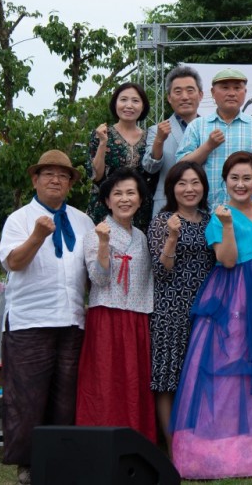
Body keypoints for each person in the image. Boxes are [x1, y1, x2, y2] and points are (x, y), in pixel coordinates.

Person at [171, 152, 252, 478]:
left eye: (247, 178)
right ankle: (220, 454)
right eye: (234, 178)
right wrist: (228, 225)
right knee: (228, 366)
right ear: (225, 181)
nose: (241, 184)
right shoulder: (219, 216)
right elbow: (228, 260)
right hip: (231, 293)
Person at [0, 151, 93, 485]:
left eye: (63, 175)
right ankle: (27, 464)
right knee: (27, 397)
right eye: (49, 174)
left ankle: (60, 459)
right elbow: (14, 263)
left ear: (70, 184)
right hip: (30, 320)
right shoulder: (19, 219)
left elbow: (93, 271)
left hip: (71, 319)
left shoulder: (83, 221)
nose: (56, 180)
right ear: (35, 180)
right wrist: (38, 236)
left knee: (65, 396)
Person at [76, 168, 156, 442]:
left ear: (140, 200)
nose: (125, 199)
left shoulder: (142, 237)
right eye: (117, 194)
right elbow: (98, 279)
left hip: (137, 318)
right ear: (107, 201)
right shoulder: (96, 233)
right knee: (105, 382)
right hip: (107, 317)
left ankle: (136, 441)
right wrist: (103, 243)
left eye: (131, 193)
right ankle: (99, 443)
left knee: (134, 382)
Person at [147, 161, 214, 454]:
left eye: (195, 182)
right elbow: (160, 272)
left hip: (206, 310)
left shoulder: (211, 220)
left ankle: (199, 443)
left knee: (200, 376)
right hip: (170, 310)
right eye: (182, 183)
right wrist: (172, 238)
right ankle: (174, 447)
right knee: (168, 378)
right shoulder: (162, 221)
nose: (189, 189)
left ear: (204, 187)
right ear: (171, 188)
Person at [177, 68, 252, 209]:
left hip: (246, 212)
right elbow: (181, 166)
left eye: (237, 88)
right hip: (205, 211)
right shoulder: (197, 126)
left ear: (245, 92)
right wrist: (207, 147)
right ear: (212, 93)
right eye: (225, 88)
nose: (231, 93)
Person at [87, 82, 154, 230]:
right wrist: (103, 142)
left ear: (143, 106)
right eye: (123, 99)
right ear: (115, 103)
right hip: (106, 207)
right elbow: (96, 176)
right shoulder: (101, 134)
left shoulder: (150, 137)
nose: (129, 105)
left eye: (135, 101)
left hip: (141, 209)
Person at [142, 66, 204, 216]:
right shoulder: (156, 130)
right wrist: (159, 141)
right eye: (178, 91)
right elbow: (150, 168)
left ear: (200, 95)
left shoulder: (211, 129)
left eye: (190, 90)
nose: (184, 97)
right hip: (167, 206)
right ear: (169, 98)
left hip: (205, 207)